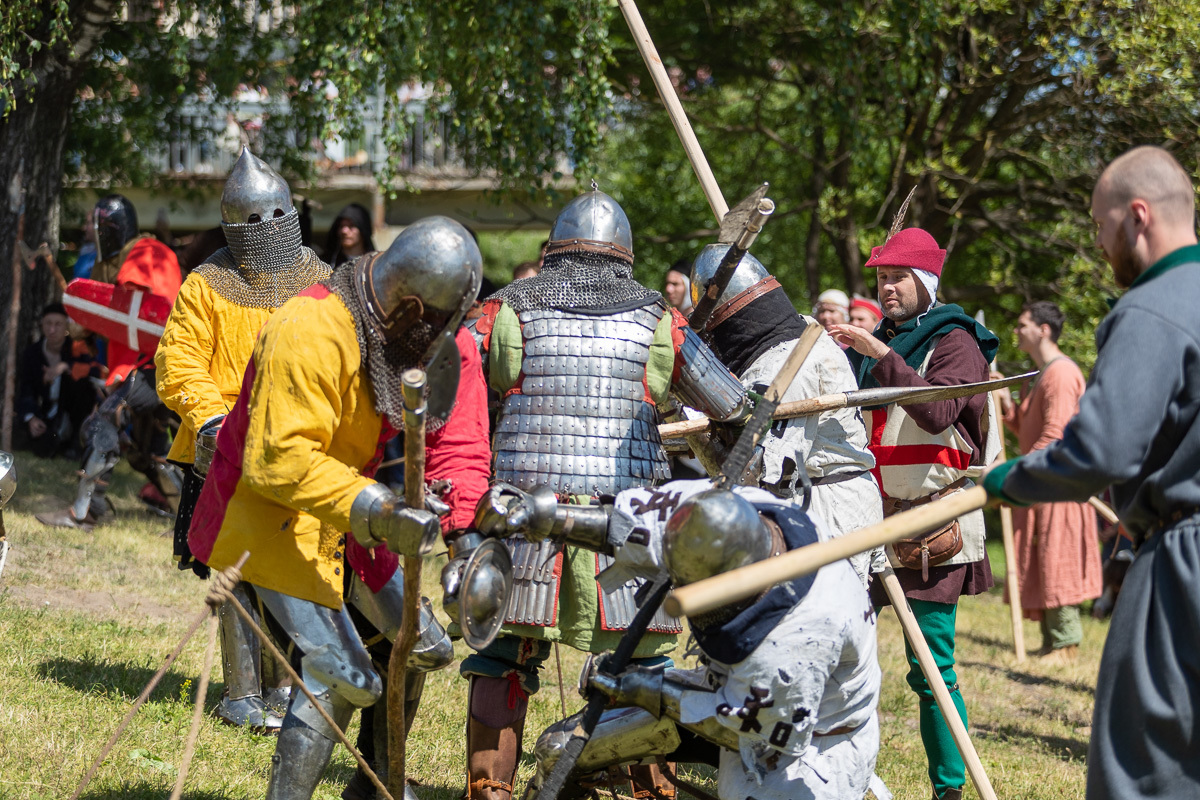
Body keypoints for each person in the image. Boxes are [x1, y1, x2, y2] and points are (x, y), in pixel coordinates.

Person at [188, 216, 491, 800]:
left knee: (423, 644)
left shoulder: (407, 333)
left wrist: (458, 529)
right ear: (408, 307)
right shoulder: (309, 325)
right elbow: (278, 461)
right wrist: (379, 509)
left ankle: (376, 787)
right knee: (344, 674)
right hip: (268, 520)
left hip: (349, 520)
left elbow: (456, 438)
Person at [464, 188, 751, 800]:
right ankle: (643, 786)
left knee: (503, 659)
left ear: (554, 250)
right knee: (640, 664)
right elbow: (730, 404)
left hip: (524, 513)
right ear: (624, 255)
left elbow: (452, 384)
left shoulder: (506, 308)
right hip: (626, 521)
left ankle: (490, 788)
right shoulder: (657, 318)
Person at [982, 145, 1200, 800]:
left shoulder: (1150, 308)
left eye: (1101, 228)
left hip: (1187, 562)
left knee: (1148, 771)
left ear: (1138, 217)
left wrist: (1010, 480)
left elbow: (1100, 452)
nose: (1101, 246)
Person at [502, 481, 883, 800]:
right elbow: (626, 526)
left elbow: (751, 728)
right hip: (730, 694)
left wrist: (645, 687)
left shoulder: (797, 638)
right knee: (562, 747)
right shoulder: (721, 511)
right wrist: (549, 518)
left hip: (808, 746)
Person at [156, 146, 332, 730]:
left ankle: (286, 689)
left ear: (291, 213)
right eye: (253, 219)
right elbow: (179, 358)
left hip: (301, 445)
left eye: (274, 215)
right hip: (226, 443)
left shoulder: (323, 282)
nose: (266, 230)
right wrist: (213, 421)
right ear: (232, 224)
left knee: (296, 566)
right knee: (236, 565)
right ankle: (240, 694)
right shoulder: (208, 284)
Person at [829, 227, 999, 800]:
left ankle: (948, 790)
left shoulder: (957, 342)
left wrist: (878, 355)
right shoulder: (884, 337)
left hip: (932, 522)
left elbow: (938, 410)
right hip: (867, 520)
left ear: (925, 281)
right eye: (881, 277)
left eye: (898, 276)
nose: (887, 287)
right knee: (841, 658)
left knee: (931, 671)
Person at [687, 245, 881, 583]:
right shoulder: (799, 330)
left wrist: (690, 421)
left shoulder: (788, 364)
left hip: (829, 511)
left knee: (814, 628)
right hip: (821, 499)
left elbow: (754, 472)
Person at [38, 194, 184, 529]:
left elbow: (142, 310)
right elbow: (115, 316)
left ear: (111, 228)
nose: (91, 229)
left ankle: (85, 511)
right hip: (146, 369)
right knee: (146, 455)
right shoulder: (113, 263)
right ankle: (189, 524)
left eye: (97, 224)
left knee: (104, 419)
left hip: (158, 365)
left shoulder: (149, 252)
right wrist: (87, 323)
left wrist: (90, 320)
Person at [995, 301, 1100, 661]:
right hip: (1042, 481)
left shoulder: (1061, 373)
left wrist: (1018, 473)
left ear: (1043, 329)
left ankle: (1067, 642)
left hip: (1058, 484)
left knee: (1058, 556)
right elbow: (1029, 428)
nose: (1016, 331)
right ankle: (1052, 641)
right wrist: (1006, 406)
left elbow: (1056, 434)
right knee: (1041, 557)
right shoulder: (1041, 374)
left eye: (1023, 324)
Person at [17, 303, 99, 458]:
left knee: (81, 384)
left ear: (66, 326)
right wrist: (31, 417)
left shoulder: (76, 347)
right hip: (46, 412)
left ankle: (76, 442)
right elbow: (26, 388)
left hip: (73, 412)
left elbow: (95, 371)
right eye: (48, 324)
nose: (52, 330)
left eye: (58, 324)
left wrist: (64, 367)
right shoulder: (33, 353)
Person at [323, 202, 375, 267]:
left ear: (363, 230)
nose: (344, 231)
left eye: (351, 226)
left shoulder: (374, 264)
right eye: (341, 226)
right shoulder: (325, 264)